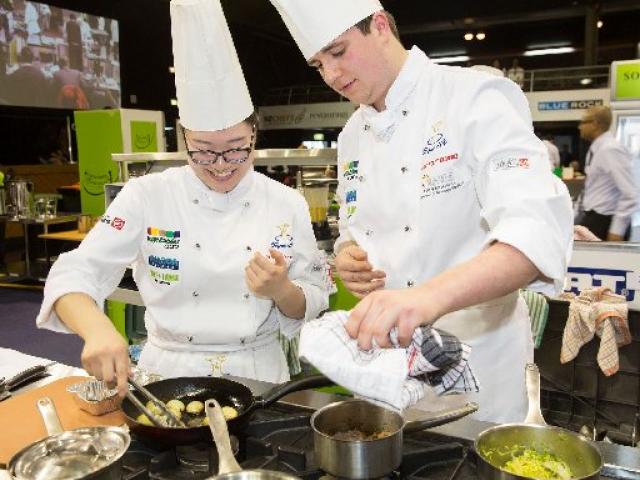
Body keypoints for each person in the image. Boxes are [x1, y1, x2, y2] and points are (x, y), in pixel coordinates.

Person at [271, 0, 573, 422]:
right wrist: (348, 256)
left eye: (338, 52)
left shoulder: (473, 97)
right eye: (319, 65)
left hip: (479, 360)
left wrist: (427, 297)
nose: (332, 75)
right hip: (390, 365)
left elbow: (537, 230)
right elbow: (356, 229)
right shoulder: (353, 134)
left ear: (379, 26)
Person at [36, 0, 328, 396]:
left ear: (255, 136)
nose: (222, 164)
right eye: (203, 150)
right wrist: (97, 329)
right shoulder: (146, 195)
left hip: (258, 374)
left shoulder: (285, 202)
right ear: (183, 138)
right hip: (167, 373)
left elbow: (311, 300)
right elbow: (74, 272)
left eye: (237, 148)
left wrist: (281, 291)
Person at [576, 106, 636, 241]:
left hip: (606, 222)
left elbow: (630, 194)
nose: (579, 127)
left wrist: (617, 231)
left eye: (583, 122)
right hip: (594, 217)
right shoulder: (596, 149)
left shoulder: (610, 149)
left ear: (595, 124)